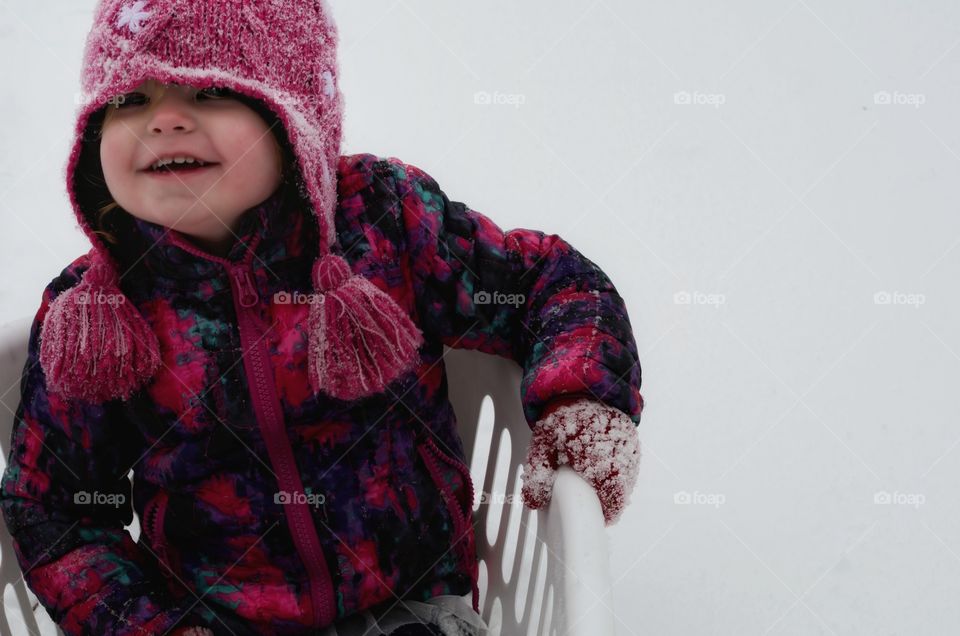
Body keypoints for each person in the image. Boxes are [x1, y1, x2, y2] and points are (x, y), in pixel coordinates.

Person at [0, 1, 645, 634]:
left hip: (411, 604)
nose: (164, 120)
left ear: (293, 120)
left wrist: (580, 402)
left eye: (211, 92)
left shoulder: (386, 224)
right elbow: (52, 504)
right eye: (131, 100)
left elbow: (548, 285)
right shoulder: (92, 316)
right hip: (214, 619)